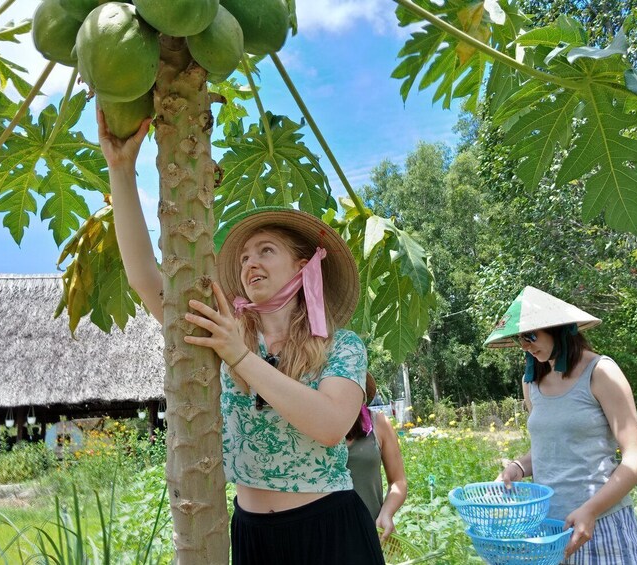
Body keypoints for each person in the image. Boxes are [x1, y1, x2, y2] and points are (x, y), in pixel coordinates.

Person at [98, 112, 384, 564]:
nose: (250, 262)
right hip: (251, 535)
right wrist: (120, 169)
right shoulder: (224, 333)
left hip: (330, 531)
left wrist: (241, 358)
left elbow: (331, 426)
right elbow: (143, 277)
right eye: (245, 255)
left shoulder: (341, 346)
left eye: (266, 251)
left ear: (304, 266)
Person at [485, 286, 637, 564]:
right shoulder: (531, 382)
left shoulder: (601, 372)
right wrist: (517, 468)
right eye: (519, 339)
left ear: (558, 329)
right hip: (551, 530)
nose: (525, 346)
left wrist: (591, 509)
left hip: (601, 524)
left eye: (530, 336)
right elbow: (549, 449)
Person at [346, 372, 407, 542]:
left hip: (375, 533)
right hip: (325, 537)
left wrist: (387, 513)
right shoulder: (307, 429)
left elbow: (398, 481)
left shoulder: (378, 423)